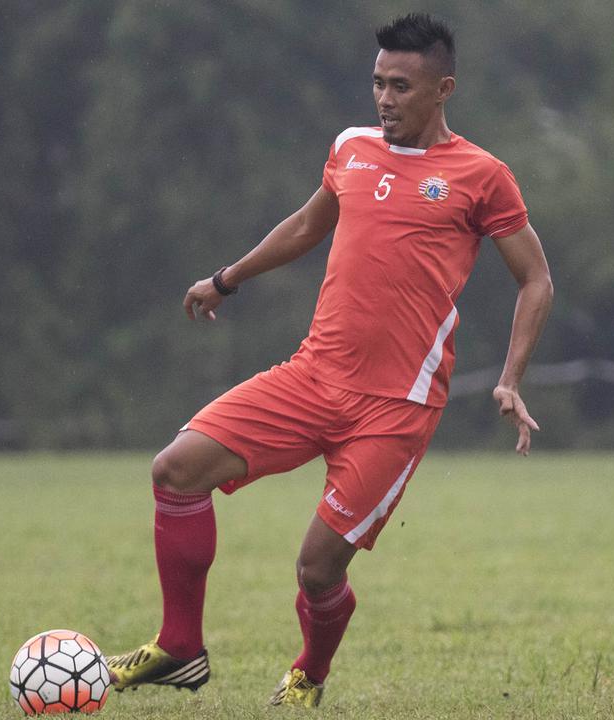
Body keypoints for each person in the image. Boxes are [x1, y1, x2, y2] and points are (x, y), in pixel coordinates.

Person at [104, 13, 553, 708]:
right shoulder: (351, 147)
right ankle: (181, 647)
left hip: (395, 410)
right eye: (378, 83)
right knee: (176, 470)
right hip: (311, 377)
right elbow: (309, 226)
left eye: (401, 86)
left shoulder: (481, 175)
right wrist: (227, 278)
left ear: (444, 90)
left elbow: (537, 279)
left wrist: (509, 379)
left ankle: (310, 673)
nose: (384, 99)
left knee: (316, 571)